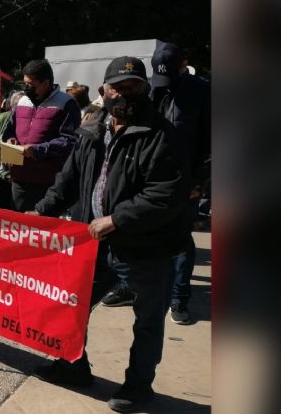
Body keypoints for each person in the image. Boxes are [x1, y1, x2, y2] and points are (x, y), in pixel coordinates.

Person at [31, 57, 190, 413]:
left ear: (146, 90)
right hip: (93, 245)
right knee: (72, 307)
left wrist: (117, 219)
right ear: (104, 90)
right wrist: (41, 211)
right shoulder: (91, 130)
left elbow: (165, 194)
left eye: (135, 88)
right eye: (118, 88)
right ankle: (73, 367)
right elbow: (68, 180)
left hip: (145, 247)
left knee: (147, 320)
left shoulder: (162, 135)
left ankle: (138, 385)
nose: (126, 95)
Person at [151, 42, 211, 324]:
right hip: (151, 178)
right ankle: (136, 289)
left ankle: (179, 298)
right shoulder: (156, 87)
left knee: (180, 241)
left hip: (186, 182)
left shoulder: (203, 91)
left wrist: (199, 181)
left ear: (185, 62)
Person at [2, 59, 80, 212]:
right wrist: (10, 140)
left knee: (44, 231)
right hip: (19, 178)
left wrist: (38, 149)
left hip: (48, 182)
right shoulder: (22, 101)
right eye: (25, 84)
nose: (26, 89)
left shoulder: (67, 103)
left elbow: (71, 140)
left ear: (46, 83)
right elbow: (9, 131)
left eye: (31, 85)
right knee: (19, 228)